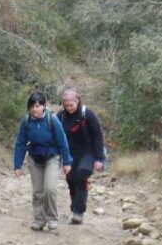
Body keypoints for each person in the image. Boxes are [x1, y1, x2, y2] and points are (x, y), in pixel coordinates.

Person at [13, 90, 73, 231]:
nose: (35, 109)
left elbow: (62, 141)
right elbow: (20, 144)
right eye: (33, 106)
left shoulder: (52, 120)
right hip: (34, 159)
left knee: (50, 189)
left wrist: (67, 162)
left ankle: (52, 218)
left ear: (44, 106)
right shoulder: (26, 122)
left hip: (52, 158)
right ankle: (39, 219)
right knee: (38, 191)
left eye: (38, 106)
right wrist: (17, 165)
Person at [57, 88, 105, 224]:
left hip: (88, 152)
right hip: (70, 153)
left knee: (81, 175)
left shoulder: (87, 114)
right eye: (66, 106)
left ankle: (78, 212)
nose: (69, 108)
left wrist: (99, 158)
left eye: (71, 105)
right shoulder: (60, 116)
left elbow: (98, 136)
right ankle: (75, 207)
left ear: (77, 102)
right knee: (71, 180)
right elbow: (55, 136)